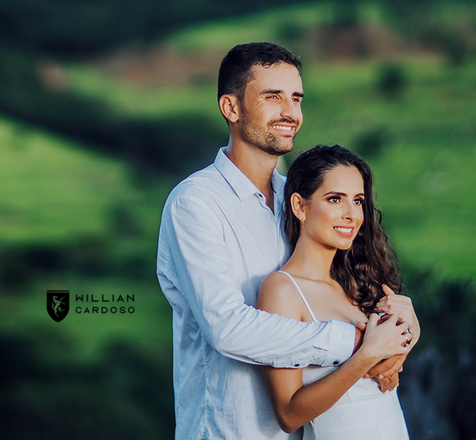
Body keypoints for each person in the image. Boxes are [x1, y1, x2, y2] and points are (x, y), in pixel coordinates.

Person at [157, 43, 416, 440]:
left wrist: (402, 330)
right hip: (229, 431)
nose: (290, 112)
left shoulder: (302, 202)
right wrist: (357, 342)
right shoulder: (195, 204)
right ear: (231, 108)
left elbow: (346, 289)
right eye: (272, 97)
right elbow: (227, 328)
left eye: (296, 98)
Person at [257, 144, 416, 438]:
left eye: (358, 201)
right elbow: (288, 414)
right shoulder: (282, 290)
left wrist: (410, 328)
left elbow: (388, 358)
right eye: (335, 199)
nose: (351, 214)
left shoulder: (358, 280)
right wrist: (367, 356)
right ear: (299, 206)